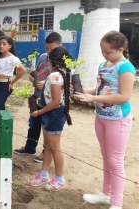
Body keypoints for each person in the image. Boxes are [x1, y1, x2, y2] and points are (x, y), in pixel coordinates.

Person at [75, 31, 135, 209]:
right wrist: (85, 91)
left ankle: (116, 202)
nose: (104, 54)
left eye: (108, 51)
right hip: (101, 117)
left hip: (118, 119)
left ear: (120, 49)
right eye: (102, 50)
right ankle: (106, 193)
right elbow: (101, 90)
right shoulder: (104, 64)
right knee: (106, 157)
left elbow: (124, 96)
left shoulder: (126, 68)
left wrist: (93, 99)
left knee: (115, 160)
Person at [13, 32, 62, 163]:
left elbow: (61, 81)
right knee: (33, 122)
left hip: (51, 100)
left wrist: (45, 82)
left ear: (60, 46)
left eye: (52, 48)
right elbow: (39, 74)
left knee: (48, 127)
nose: (49, 51)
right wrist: (33, 79)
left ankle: (46, 152)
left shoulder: (63, 60)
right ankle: (30, 147)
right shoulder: (43, 57)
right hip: (38, 95)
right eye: (47, 48)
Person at [29, 46, 72, 191]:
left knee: (54, 147)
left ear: (51, 61)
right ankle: (44, 174)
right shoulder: (60, 74)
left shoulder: (55, 76)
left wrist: (40, 112)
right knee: (47, 145)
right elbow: (52, 98)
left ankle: (59, 178)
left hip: (53, 114)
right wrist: (41, 102)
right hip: (51, 113)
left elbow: (56, 101)